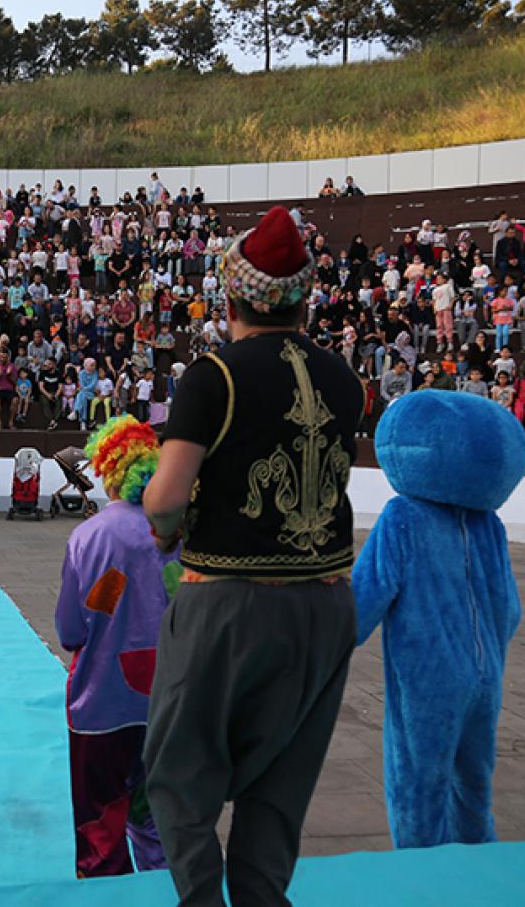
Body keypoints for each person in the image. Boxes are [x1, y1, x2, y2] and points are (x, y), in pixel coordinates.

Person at [141, 206, 363, 907]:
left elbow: (164, 499)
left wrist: (166, 535)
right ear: (304, 298)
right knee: (282, 781)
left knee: (178, 768)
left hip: (229, 603)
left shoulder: (214, 376)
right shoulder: (344, 379)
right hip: (326, 602)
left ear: (229, 295)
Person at [353, 391, 525, 848]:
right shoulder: (489, 525)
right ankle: (478, 876)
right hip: (487, 675)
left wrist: (321, 641)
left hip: (427, 678)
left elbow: (365, 596)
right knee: (473, 789)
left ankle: (421, 881)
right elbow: (509, 608)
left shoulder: (402, 517)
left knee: (418, 786)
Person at [55, 416, 174, 878]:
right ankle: (165, 888)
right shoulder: (178, 530)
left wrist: (109, 601)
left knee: (100, 824)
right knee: (158, 817)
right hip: (169, 700)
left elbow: (72, 629)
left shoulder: (91, 535)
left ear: (108, 469)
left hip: (103, 703)